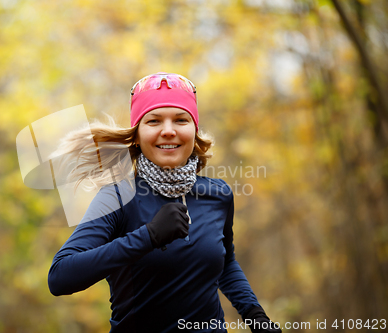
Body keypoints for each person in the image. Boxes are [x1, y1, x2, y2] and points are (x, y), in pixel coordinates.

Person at [48, 72, 282, 333]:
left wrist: (254, 313)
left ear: (194, 131)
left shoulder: (219, 194)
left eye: (181, 120)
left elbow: (225, 262)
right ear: (137, 134)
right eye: (154, 121)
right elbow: (60, 277)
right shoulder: (117, 196)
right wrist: (149, 236)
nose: (168, 131)